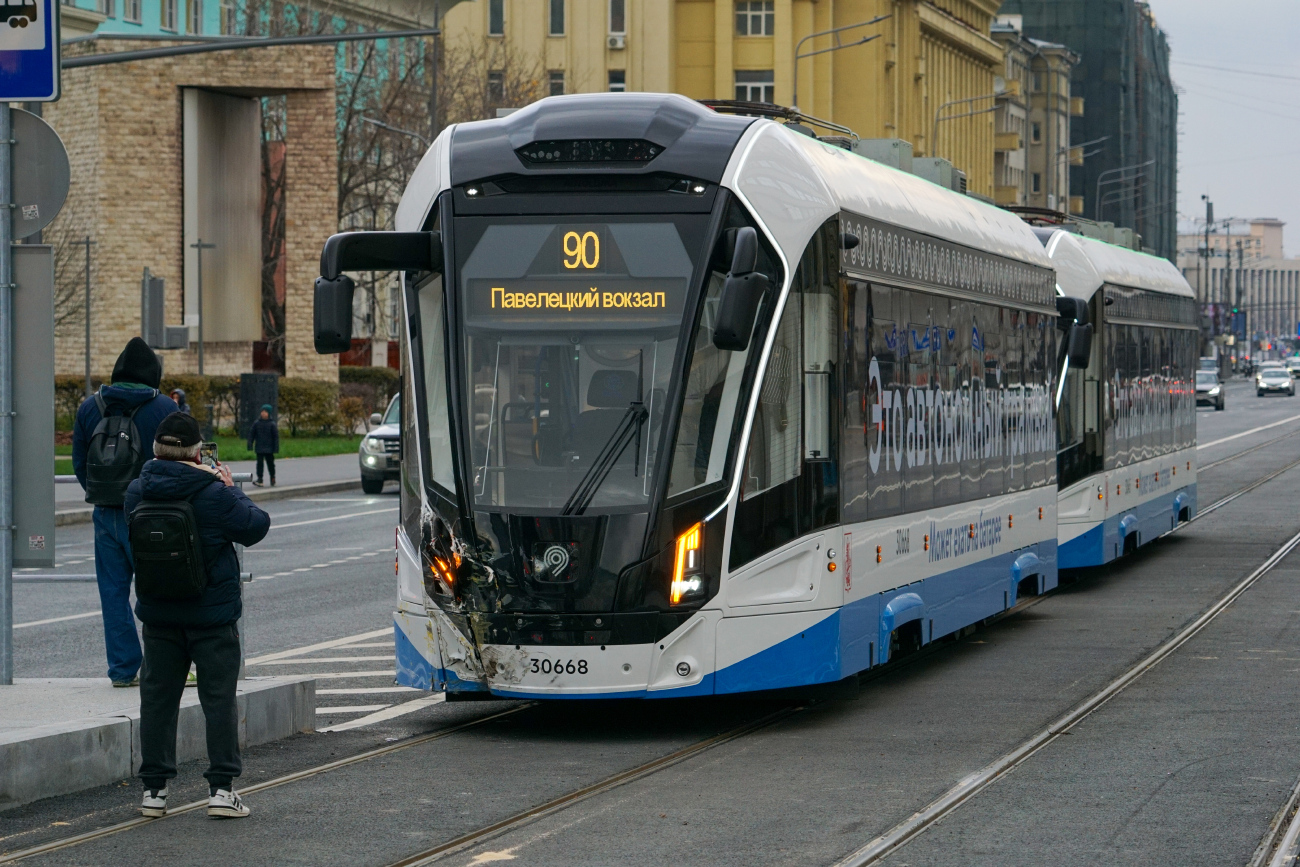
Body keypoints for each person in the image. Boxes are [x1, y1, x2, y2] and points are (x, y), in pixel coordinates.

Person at [126, 412, 270, 820]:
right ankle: (222, 791)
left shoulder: (137, 493)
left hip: (159, 616)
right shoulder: (214, 493)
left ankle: (154, 792)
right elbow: (257, 527)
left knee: (157, 701)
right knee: (218, 700)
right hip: (212, 619)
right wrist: (229, 487)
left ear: (156, 450)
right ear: (196, 453)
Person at [72, 338, 178, 687]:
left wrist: (104, 492)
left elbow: (79, 464)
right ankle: (166, 665)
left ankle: (121, 669)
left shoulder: (90, 408)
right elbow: (183, 461)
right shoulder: (164, 408)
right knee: (160, 591)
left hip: (105, 513)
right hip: (151, 512)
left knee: (113, 593)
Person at [246, 404, 279, 487]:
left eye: (265, 412)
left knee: (270, 464)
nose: (263, 414)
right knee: (259, 464)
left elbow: (275, 437)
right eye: (262, 412)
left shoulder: (272, 424)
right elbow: (251, 434)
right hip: (259, 447)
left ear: (269, 413)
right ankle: (260, 479)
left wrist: (276, 448)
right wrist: (250, 444)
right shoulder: (257, 423)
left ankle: (272, 477)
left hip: (269, 448)